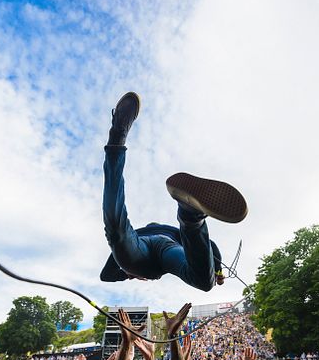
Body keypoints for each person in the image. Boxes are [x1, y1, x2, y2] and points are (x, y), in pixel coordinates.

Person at [100, 92, 248, 292]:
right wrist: (219, 272)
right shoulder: (172, 233)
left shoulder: (138, 234)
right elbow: (210, 246)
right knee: (204, 281)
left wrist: (127, 274)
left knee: (117, 232)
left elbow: (106, 276)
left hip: (140, 248)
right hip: (168, 248)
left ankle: (191, 215)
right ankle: (190, 216)